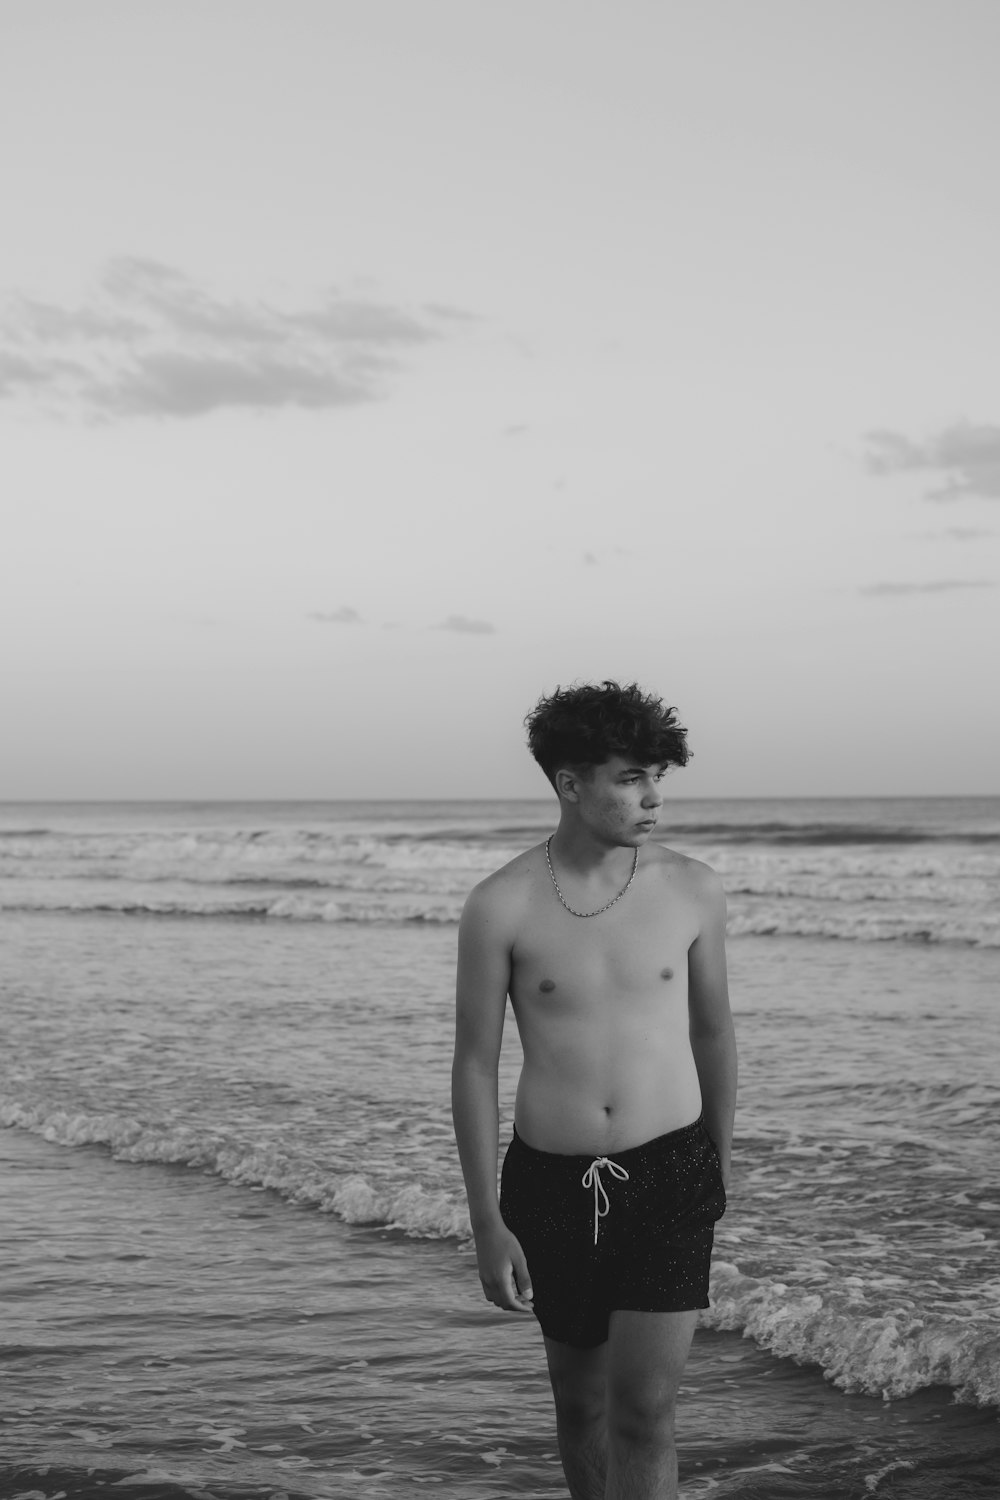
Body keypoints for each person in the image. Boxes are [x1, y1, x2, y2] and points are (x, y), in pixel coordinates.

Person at [451, 680, 737, 1500]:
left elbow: (713, 1032)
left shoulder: (693, 889)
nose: (652, 799)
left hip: (670, 1175)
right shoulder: (499, 905)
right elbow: (474, 1064)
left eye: (658, 777)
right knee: (579, 1409)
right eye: (630, 778)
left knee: (645, 1413)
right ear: (570, 784)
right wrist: (486, 1222)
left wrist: (716, 1165)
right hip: (548, 1184)